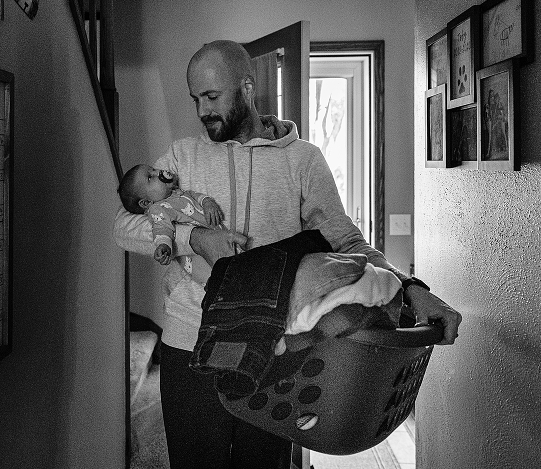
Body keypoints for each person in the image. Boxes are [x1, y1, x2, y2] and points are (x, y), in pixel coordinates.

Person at [113, 40, 462, 469]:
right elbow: (124, 227)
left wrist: (412, 289)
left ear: (246, 86)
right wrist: (195, 237)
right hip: (189, 350)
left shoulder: (304, 161)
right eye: (194, 99)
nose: (202, 110)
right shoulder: (183, 156)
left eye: (211, 96)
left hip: (272, 354)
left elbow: (347, 243)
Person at [117, 164, 223, 265]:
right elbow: (162, 228)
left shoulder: (175, 193)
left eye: (154, 169)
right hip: (204, 256)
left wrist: (207, 202)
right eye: (150, 177)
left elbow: (193, 195)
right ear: (146, 203)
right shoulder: (158, 209)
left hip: (218, 233)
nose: (158, 172)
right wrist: (163, 245)